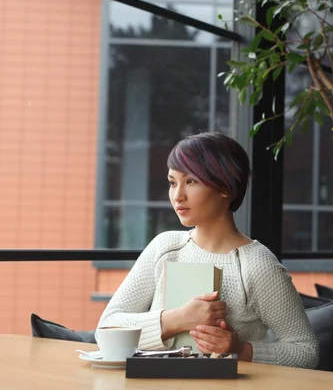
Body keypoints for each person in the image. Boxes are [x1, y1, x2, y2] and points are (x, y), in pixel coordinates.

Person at [97, 132, 319, 369]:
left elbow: (306, 350)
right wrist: (177, 319)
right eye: (173, 183)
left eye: (190, 181)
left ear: (225, 186)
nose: (177, 196)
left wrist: (242, 350)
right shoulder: (165, 248)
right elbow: (106, 330)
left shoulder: (257, 265)